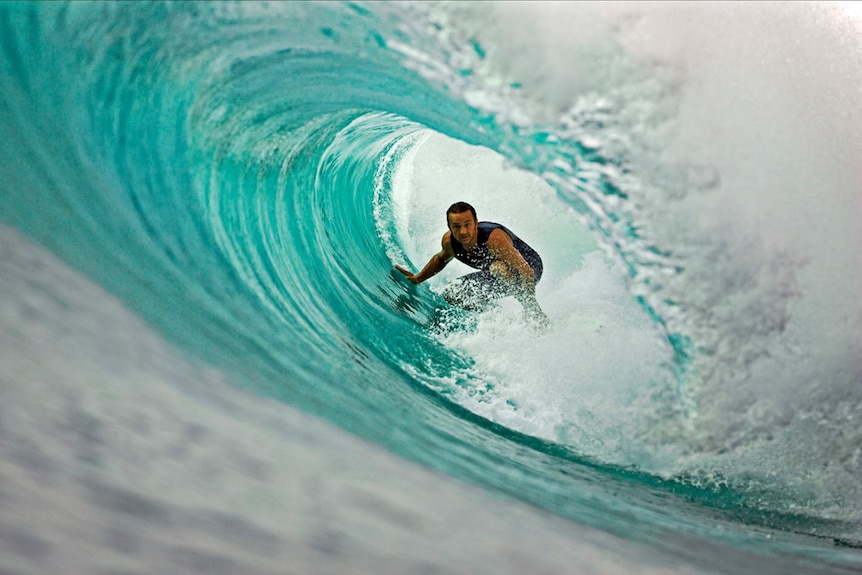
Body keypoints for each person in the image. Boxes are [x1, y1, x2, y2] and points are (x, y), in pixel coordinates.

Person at [395, 201, 549, 326]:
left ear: (476, 223)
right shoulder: (450, 242)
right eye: (456, 227)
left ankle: (536, 314)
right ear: (450, 227)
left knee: (498, 268)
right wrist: (418, 278)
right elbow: (441, 259)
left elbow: (526, 271)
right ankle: (495, 316)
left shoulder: (494, 239)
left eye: (467, 225)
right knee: (452, 293)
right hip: (497, 271)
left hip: (530, 265)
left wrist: (530, 305)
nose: (463, 232)